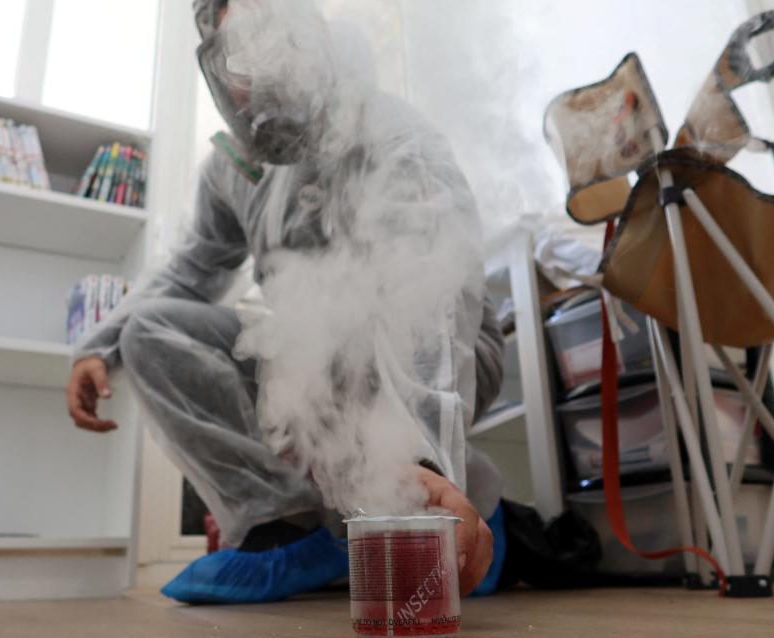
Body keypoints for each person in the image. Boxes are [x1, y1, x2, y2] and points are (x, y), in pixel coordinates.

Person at [66, 0, 507, 604]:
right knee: (150, 330)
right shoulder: (230, 173)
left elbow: (430, 301)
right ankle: (283, 529)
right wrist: (99, 345)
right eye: (237, 60)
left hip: (439, 353)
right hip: (315, 365)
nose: (255, 80)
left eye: (269, 42)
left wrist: (424, 458)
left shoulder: (392, 134)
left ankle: (453, 498)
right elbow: (188, 271)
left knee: (369, 351)